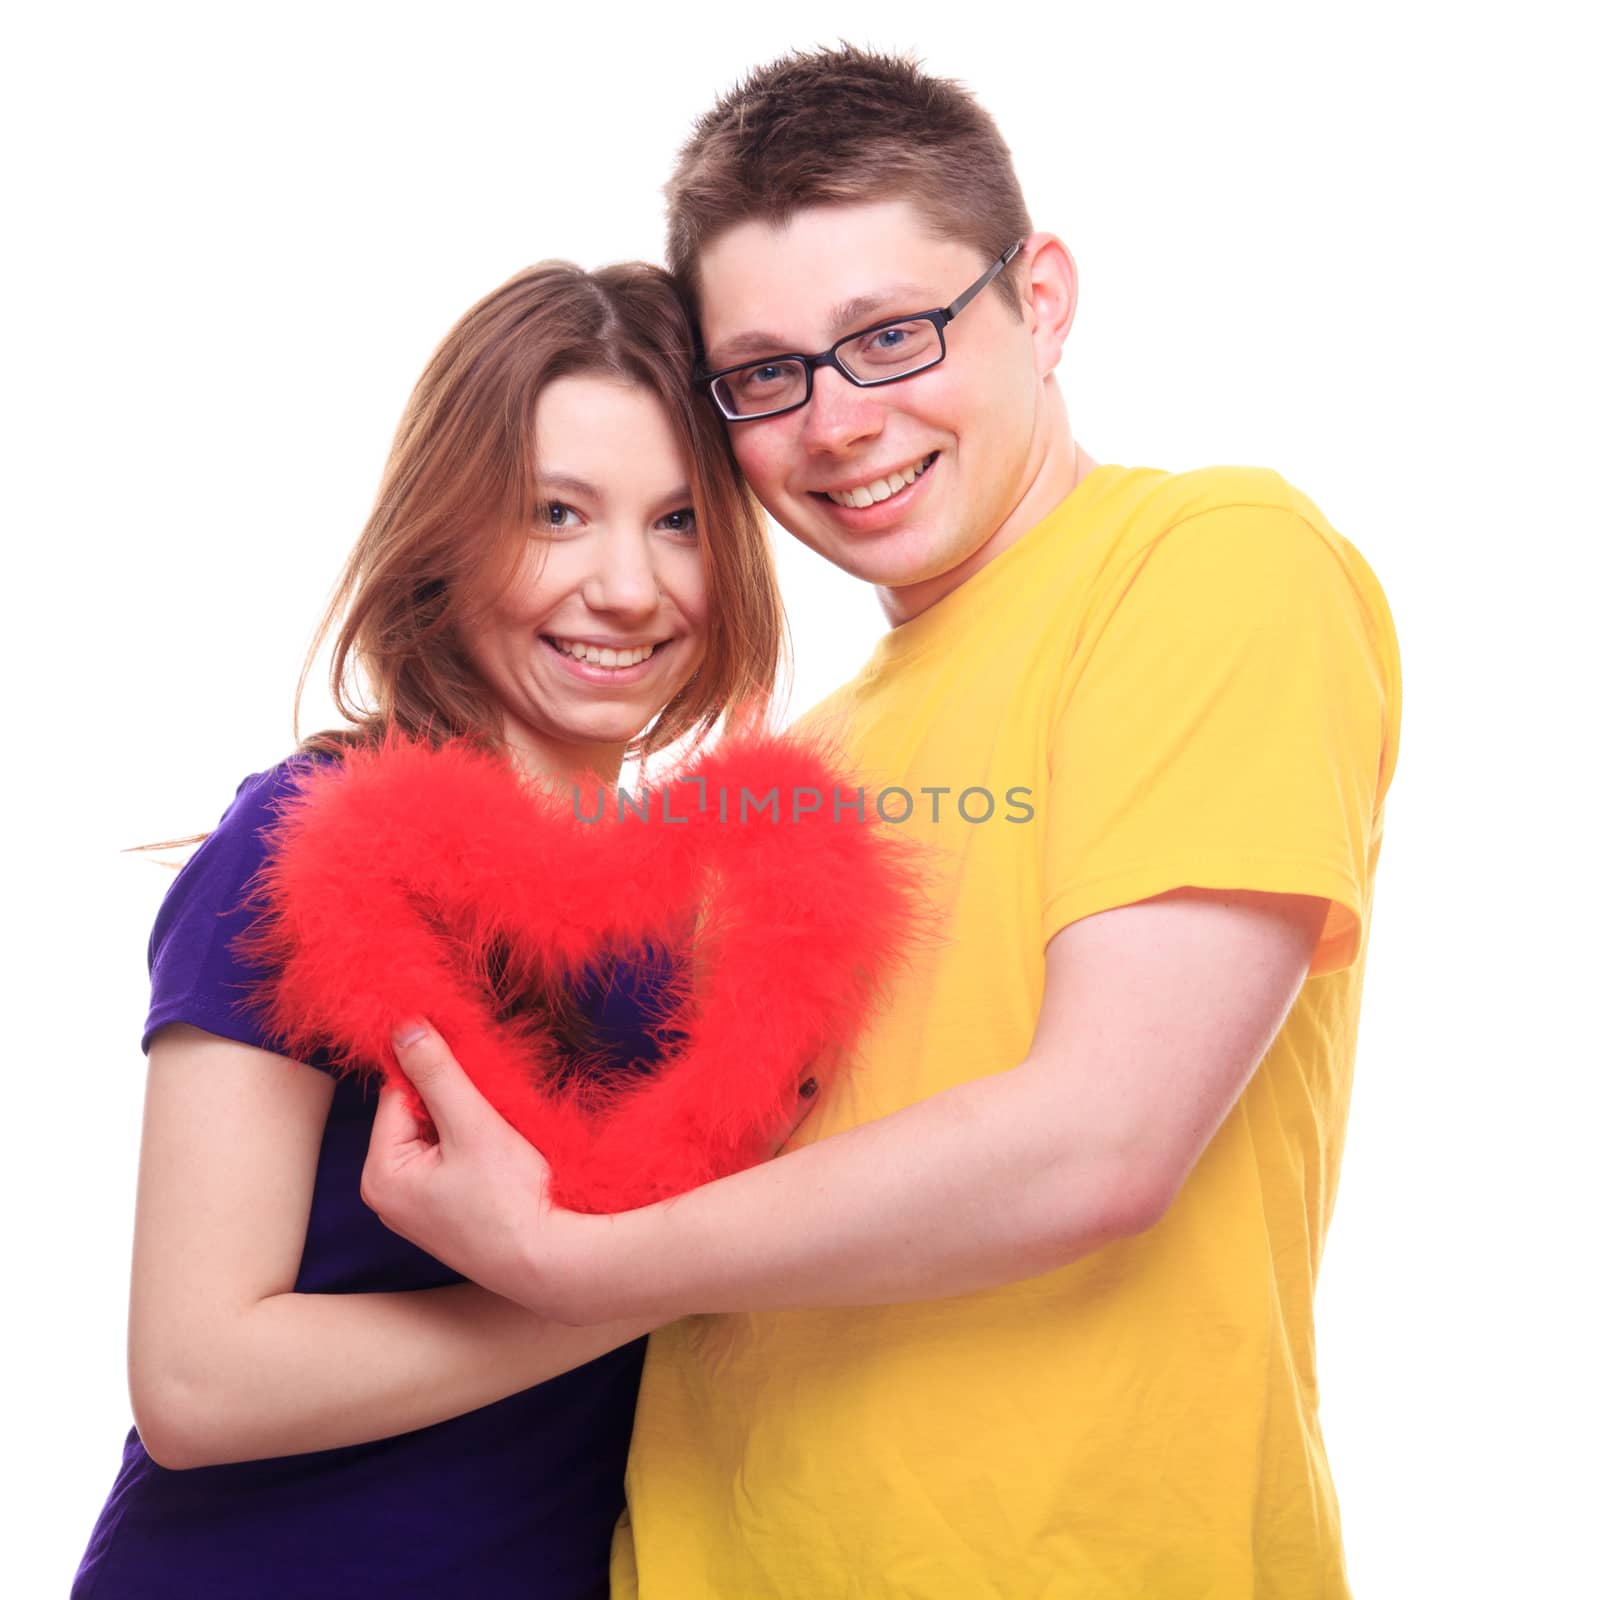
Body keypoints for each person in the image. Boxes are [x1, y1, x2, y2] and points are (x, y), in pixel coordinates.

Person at [361, 46, 1402, 1599]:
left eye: (891, 335)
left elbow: (1099, 1142)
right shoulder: (804, 758)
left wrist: (568, 1267)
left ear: (1040, 298)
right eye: (766, 373)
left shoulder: (1209, 559)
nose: (837, 421)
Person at [71, 261, 784, 1600]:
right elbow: (196, 1379)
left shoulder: (701, 907)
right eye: (556, 514)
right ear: (449, 531)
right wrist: (646, 1280)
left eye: (681, 520)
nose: (627, 586)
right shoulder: (306, 842)